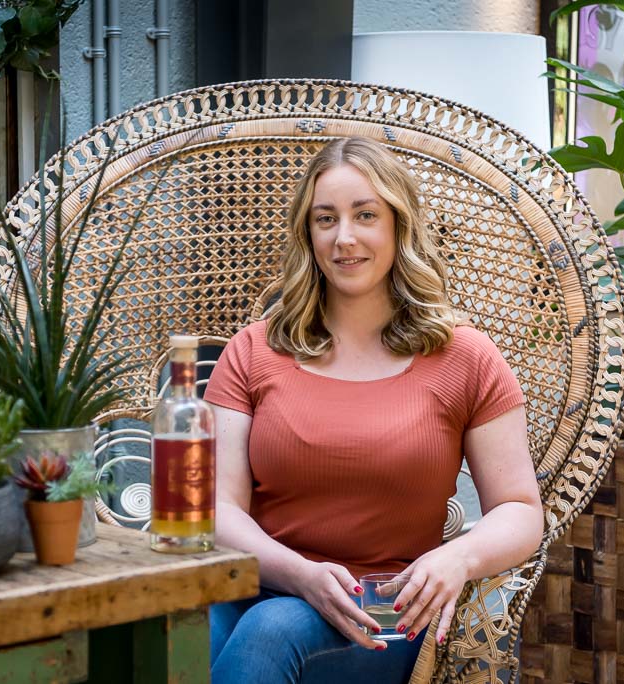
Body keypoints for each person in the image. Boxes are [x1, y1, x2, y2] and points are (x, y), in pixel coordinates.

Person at [204, 136, 543, 684]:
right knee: (164, 631)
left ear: (397, 227)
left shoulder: (464, 357)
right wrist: (300, 574)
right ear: (307, 233)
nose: (345, 238)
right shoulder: (254, 351)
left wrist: (458, 559)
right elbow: (218, 511)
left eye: (366, 215)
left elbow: (521, 510)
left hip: (385, 606)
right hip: (262, 580)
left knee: (272, 630)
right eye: (325, 219)